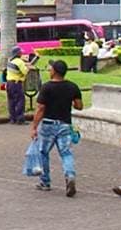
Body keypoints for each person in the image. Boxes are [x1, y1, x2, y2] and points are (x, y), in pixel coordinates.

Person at [30, 60, 83, 197]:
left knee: (43, 152)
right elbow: (79, 106)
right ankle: (70, 175)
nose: (49, 70)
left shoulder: (46, 87)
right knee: (66, 153)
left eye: (50, 68)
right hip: (65, 124)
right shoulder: (72, 87)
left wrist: (34, 126)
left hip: (48, 124)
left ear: (54, 71)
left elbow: (41, 108)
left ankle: (45, 181)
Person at [5, 46, 30, 125]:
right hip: (16, 83)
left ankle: (12, 118)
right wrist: (28, 67)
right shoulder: (19, 62)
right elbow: (25, 72)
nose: (21, 53)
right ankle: (20, 119)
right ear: (18, 53)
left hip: (9, 83)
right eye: (20, 52)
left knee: (11, 101)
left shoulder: (10, 61)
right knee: (20, 101)